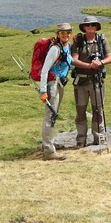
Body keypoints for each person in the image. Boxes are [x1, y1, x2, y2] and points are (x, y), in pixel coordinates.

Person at [70, 15, 111, 147]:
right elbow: (74, 60)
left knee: (98, 110)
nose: (90, 27)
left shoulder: (102, 40)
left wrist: (100, 62)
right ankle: (81, 140)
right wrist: (89, 65)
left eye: (93, 25)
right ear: (83, 27)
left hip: (97, 82)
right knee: (80, 111)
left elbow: (110, 58)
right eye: (87, 25)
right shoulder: (78, 41)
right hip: (81, 83)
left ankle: (99, 138)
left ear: (96, 27)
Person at [39, 22, 73, 161]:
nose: (66, 35)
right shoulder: (55, 49)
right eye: (63, 33)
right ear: (58, 34)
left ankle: (49, 146)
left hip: (59, 83)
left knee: (54, 115)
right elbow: (45, 70)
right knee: (50, 116)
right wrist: (43, 91)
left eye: (68, 32)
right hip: (52, 85)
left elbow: (71, 61)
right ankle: (48, 151)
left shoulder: (67, 47)